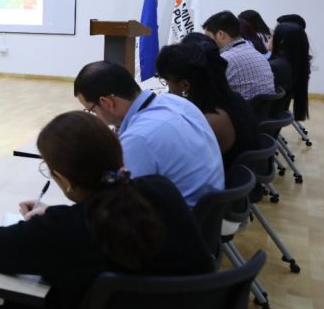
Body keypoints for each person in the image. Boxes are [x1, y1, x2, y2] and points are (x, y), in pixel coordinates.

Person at [0, 111, 213, 309]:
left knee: (6, 306)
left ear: (65, 180)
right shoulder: (162, 189)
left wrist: (51, 221)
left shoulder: (63, 230)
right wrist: (55, 215)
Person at [73, 60, 223, 207]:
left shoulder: (138, 138)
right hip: (210, 206)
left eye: (92, 110)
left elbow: (126, 201)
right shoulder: (175, 101)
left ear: (107, 102)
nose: (95, 116)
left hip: (181, 216)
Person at [155, 38, 259, 171]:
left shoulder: (209, 120)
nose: (168, 88)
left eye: (167, 82)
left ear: (185, 85)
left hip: (221, 181)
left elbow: (178, 163)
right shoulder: (231, 99)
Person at [202, 10, 274, 100]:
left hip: (240, 108)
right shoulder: (257, 54)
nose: (206, 42)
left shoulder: (224, 60)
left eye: (208, 37)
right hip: (264, 108)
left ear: (220, 34)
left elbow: (207, 93)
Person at [269, 22, 311, 122]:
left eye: (271, 37)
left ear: (281, 41)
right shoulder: (296, 65)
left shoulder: (275, 66)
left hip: (264, 116)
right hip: (276, 116)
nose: (269, 39)